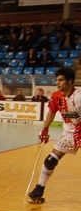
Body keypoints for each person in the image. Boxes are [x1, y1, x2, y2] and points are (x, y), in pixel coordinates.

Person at [28, 67, 81, 203]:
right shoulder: (56, 96)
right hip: (69, 131)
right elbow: (51, 112)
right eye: (57, 80)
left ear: (70, 81)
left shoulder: (79, 97)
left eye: (61, 80)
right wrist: (45, 129)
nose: (58, 83)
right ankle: (39, 189)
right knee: (50, 160)